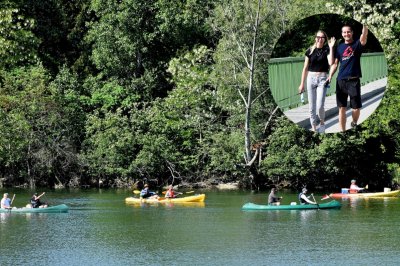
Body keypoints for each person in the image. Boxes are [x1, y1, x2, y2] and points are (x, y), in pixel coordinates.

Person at [329, 24, 368, 132]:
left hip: (353, 81)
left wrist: (365, 24)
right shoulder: (340, 47)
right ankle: (343, 130)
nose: (346, 34)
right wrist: (330, 76)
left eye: (348, 32)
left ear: (352, 33)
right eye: (344, 32)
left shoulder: (357, 44)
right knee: (342, 108)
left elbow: (364, 35)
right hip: (341, 80)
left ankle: (354, 122)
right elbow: (334, 64)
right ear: (342, 34)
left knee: (355, 108)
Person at [298, 30, 336, 133]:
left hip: (322, 80)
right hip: (310, 79)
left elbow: (331, 62)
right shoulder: (310, 50)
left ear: (324, 39)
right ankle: (314, 129)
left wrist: (331, 47)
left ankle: (322, 122)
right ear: (315, 38)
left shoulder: (327, 50)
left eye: (322, 37)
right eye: (318, 37)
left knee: (320, 105)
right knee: (312, 107)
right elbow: (305, 68)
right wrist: (302, 84)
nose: (319, 39)